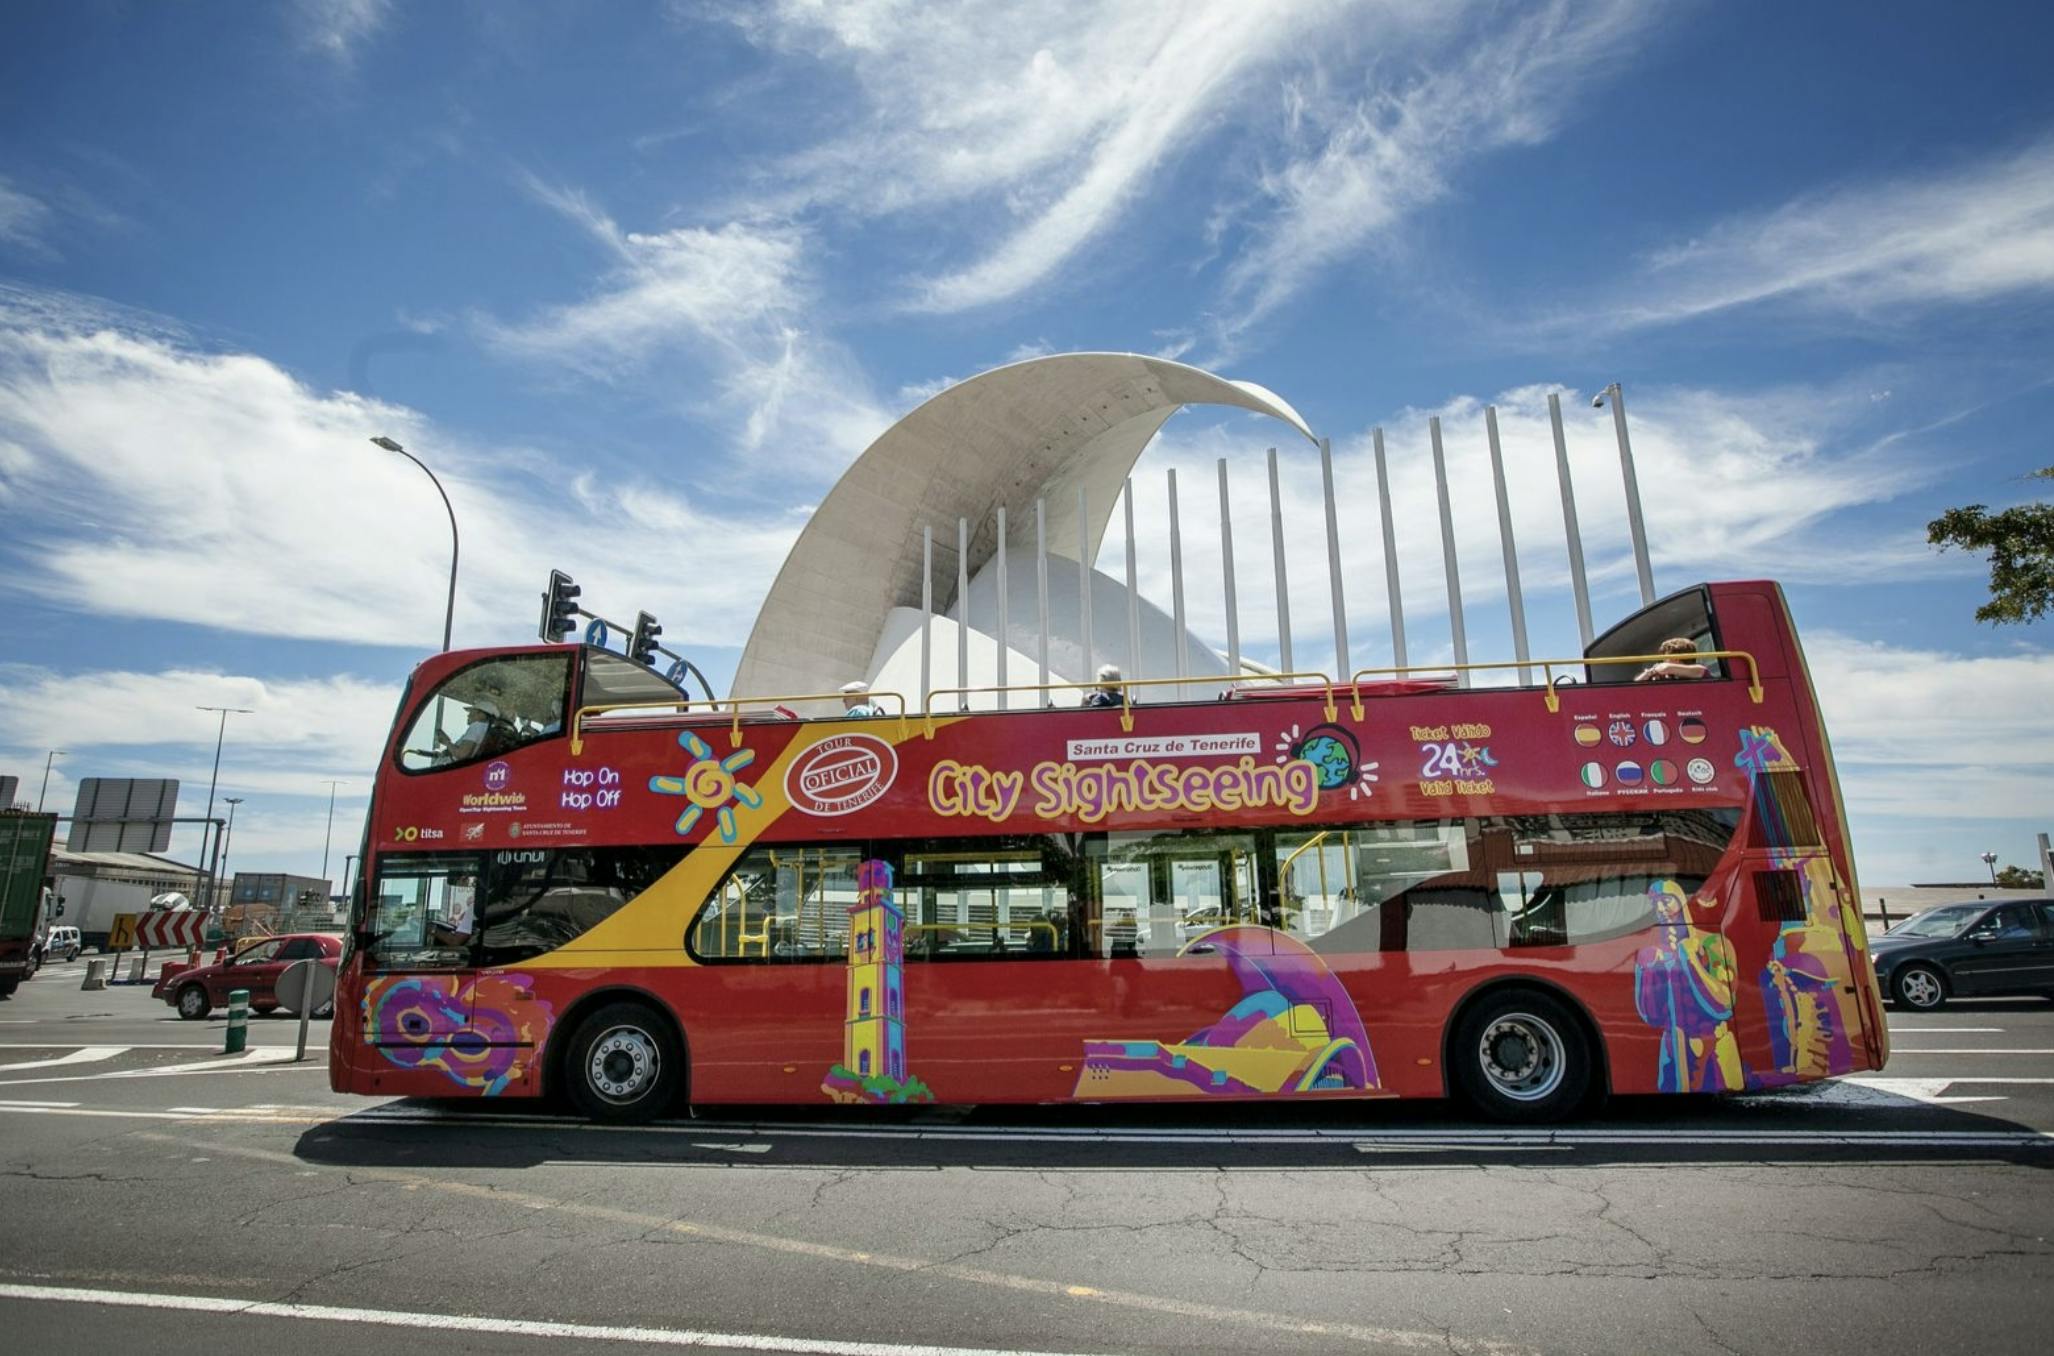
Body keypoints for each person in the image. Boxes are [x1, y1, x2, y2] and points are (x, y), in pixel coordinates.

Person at [1635, 637, 1709, 683]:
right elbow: (1636, 685)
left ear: (1676, 658)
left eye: (1666, 658)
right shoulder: (1669, 677)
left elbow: (1666, 667)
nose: (1663, 661)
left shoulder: (1700, 669)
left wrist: (1653, 670)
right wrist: (1648, 675)